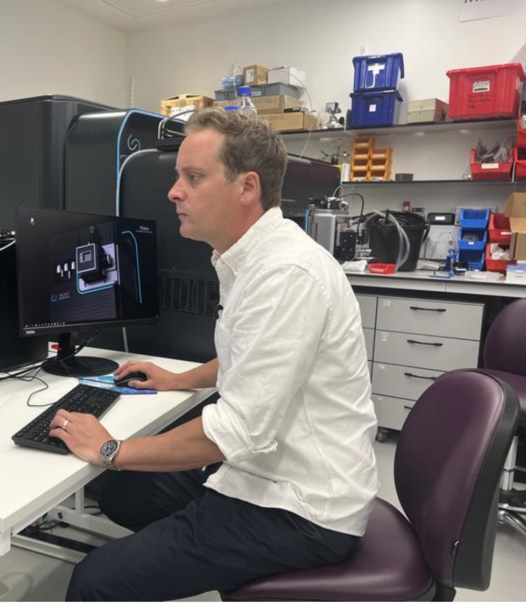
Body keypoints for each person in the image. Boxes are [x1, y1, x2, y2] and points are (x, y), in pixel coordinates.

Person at [48, 108, 378, 601]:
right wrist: (177, 380)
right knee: (123, 492)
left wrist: (109, 449)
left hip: (300, 506)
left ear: (247, 187)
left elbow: (238, 431)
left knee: (95, 579)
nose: (173, 191)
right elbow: (256, 360)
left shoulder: (285, 274)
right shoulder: (249, 259)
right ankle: (184, 556)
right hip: (270, 471)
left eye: (192, 177)